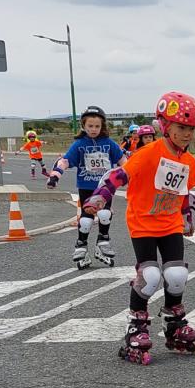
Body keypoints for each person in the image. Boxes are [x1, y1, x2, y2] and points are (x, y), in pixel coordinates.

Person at [82, 91, 195, 363]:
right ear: (165, 126)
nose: (187, 134)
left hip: (170, 221)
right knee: (149, 276)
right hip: (143, 222)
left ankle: (174, 324)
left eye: (191, 129)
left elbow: (183, 191)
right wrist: (100, 196)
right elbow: (118, 175)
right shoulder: (149, 153)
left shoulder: (189, 162)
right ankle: (135, 330)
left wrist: (187, 217)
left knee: (176, 275)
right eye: (182, 127)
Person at [47, 106, 126, 269]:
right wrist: (55, 175)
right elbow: (65, 161)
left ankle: (103, 240)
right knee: (86, 218)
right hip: (86, 185)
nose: (94, 129)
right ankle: (81, 245)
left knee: (105, 213)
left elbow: (124, 162)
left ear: (102, 126)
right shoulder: (79, 145)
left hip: (105, 187)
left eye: (97, 126)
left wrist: (134, 175)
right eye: (90, 126)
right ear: (84, 125)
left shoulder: (109, 144)